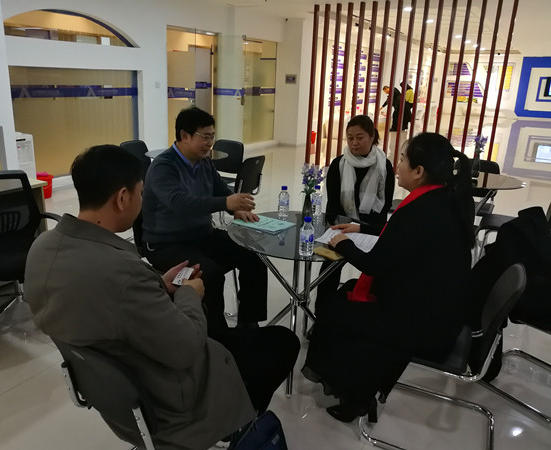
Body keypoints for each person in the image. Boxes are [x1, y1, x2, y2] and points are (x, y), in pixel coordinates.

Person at [24, 145, 300, 450]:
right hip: (168, 396)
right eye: (141, 194)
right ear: (122, 198)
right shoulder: (122, 270)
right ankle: (233, 424)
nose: (143, 202)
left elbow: (112, 301)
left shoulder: (41, 249)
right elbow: (186, 348)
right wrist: (189, 294)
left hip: (113, 388)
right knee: (283, 343)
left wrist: (158, 284)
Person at [303, 132, 475, 423]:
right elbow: (405, 239)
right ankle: (358, 389)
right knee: (348, 291)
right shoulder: (445, 198)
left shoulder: (419, 211)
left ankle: (353, 396)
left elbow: (374, 265)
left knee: (336, 310)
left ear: (419, 171)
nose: (398, 165)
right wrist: (363, 230)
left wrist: (342, 244)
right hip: (441, 310)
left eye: (404, 159)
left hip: (425, 324)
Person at [141, 106, 268, 337]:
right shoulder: (163, 167)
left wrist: (235, 209)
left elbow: (218, 189)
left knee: (254, 255)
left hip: (200, 235)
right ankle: (217, 337)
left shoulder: (204, 162)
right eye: (205, 137)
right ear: (184, 135)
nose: (210, 143)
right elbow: (180, 203)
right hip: (166, 244)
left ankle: (248, 324)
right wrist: (227, 203)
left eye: (212, 137)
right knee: (210, 274)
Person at [316, 115, 394, 315]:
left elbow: (384, 206)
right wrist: (341, 227)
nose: (354, 143)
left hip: (371, 228)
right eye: (350, 138)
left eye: (360, 137)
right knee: (329, 267)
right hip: (342, 226)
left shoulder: (384, 166)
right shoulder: (338, 164)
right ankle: (321, 314)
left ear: (372, 137)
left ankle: (374, 312)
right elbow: (333, 204)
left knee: (380, 267)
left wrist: (364, 229)